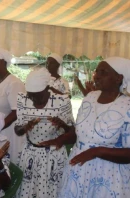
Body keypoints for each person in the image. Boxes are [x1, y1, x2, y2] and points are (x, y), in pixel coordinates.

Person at [41, 57, 130, 197]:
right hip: (78, 171)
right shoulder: (90, 98)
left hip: (108, 176)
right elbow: (81, 132)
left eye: (103, 72)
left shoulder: (127, 107)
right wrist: (61, 139)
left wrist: (97, 152)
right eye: (97, 71)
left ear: (119, 78)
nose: (96, 76)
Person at [14, 67, 74, 198]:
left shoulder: (61, 101)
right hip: (30, 155)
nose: (32, 98)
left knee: (52, 191)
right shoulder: (23, 100)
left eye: (36, 95)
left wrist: (62, 124)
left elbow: (72, 133)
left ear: (46, 89)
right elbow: (17, 130)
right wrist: (26, 127)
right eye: (30, 94)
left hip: (53, 157)